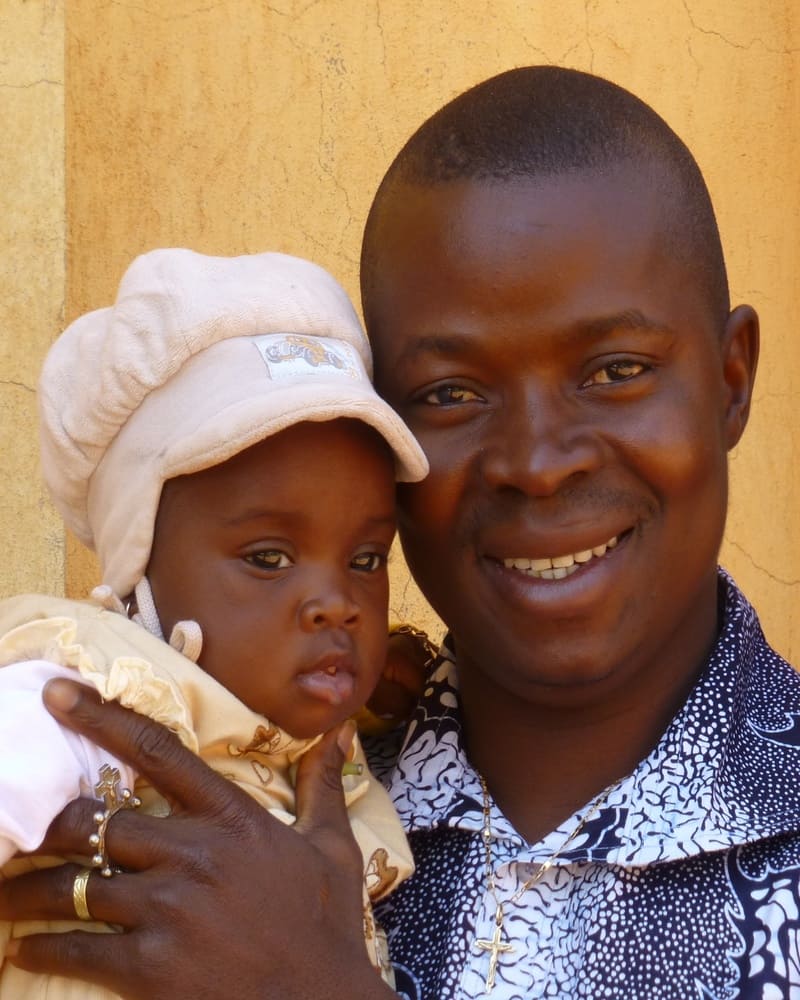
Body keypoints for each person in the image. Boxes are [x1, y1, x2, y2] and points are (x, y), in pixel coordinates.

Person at [2, 65, 797, 1000]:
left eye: (616, 370)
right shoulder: (250, 768)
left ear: (731, 379)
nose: (538, 462)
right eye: (451, 393)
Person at [0, 247, 430, 997]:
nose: (337, 602)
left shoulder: (315, 740)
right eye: (268, 557)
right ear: (142, 569)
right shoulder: (94, 694)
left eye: (366, 558)